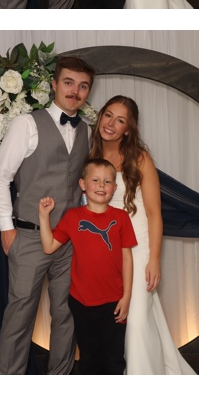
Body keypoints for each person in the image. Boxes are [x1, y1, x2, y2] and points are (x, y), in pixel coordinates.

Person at [0, 55, 95, 373]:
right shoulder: (27, 124)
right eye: (68, 83)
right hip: (30, 235)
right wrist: (7, 228)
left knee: (66, 314)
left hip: (70, 240)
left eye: (83, 86)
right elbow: (0, 177)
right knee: (19, 316)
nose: (75, 91)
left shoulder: (86, 131)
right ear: (54, 84)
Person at [91, 96, 196, 376]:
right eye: (108, 115)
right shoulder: (89, 156)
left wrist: (154, 259)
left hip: (137, 246)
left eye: (120, 120)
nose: (111, 124)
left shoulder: (140, 158)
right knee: (114, 321)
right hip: (103, 250)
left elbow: (154, 213)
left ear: (128, 129)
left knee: (136, 320)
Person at [38, 159, 136, 375]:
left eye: (107, 181)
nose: (101, 185)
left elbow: (127, 258)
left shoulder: (121, 218)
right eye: (96, 180)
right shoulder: (73, 217)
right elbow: (48, 246)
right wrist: (44, 217)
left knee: (113, 359)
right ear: (83, 184)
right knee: (89, 358)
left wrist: (127, 296)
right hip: (81, 302)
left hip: (113, 302)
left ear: (114, 188)